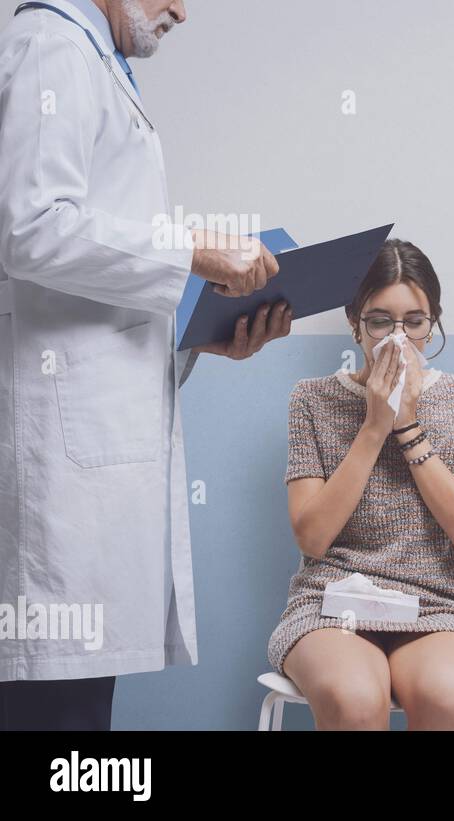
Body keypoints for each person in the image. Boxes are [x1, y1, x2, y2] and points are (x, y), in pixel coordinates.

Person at [0, 0, 289, 730]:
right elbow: (30, 229)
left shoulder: (95, 63)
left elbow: (96, 288)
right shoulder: (50, 46)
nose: (181, 12)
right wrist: (189, 248)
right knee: (58, 714)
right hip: (60, 473)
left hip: (92, 458)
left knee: (77, 707)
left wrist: (195, 334)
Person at [268, 239, 454, 731]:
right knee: (353, 699)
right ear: (355, 323)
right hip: (329, 606)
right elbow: (312, 537)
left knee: (448, 694)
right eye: (380, 321)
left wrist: (408, 424)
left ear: (432, 322)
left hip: (439, 605)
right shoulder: (312, 399)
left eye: (414, 322)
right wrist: (374, 426)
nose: (398, 337)